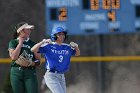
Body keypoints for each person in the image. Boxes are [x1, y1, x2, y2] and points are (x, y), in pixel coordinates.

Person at [31, 26, 80, 93]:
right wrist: (42, 42)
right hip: (51, 75)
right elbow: (33, 49)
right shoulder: (49, 46)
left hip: (61, 76)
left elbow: (77, 54)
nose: (62, 36)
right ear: (54, 36)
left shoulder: (67, 47)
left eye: (63, 34)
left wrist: (76, 47)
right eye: (59, 34)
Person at [8, 22, 41, 93]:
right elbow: (13, 57)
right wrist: (20, 44)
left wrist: (31, 63)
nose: (30, 31)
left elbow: (38, 61)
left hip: (30, 72)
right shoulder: (13, 42)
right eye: (27, 29)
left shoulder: (33, 44)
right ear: (21, 31)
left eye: (30, 29)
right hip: (16, 72)